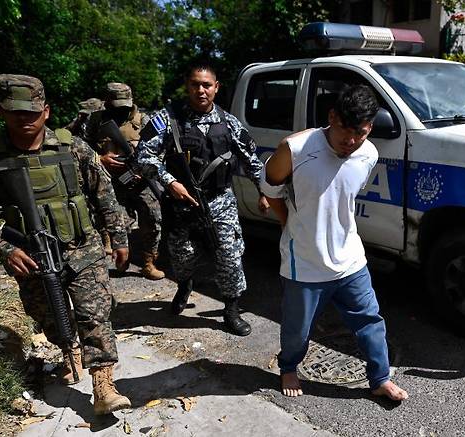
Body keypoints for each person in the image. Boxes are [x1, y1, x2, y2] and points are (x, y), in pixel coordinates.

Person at [0, 74, 131, 415]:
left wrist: (119, 237)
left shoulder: (73, 147)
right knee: (47, 316)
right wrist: (3, 246)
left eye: (32, 112)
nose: (24, 119)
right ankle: (68, 350)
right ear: (0, 110)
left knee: (95, 315)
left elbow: (104, 194)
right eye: (15, 112)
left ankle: (103, 383)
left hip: (82, 249)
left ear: (46, 112)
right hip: (30, 255)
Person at [260, 85, 408, 401]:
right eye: (345, 131)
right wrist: (288, 223)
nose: (351, 142)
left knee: (370, 320)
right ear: (332, 117)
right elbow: (270, 188)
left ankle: (380, 378)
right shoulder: (295, 148)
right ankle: (288, 366)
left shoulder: (368, 154)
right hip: (305, 263)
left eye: (361, 133)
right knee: (298, 330)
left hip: (351, 259)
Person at [137, 62, 270, 336]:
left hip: (220, 202)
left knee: (230, 257)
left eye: (207, 85)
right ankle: (185, 284)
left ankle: (231, 310)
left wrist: (264, 191)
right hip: (181, 204)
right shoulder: (168, 120)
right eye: (195, 84)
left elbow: (252, 162)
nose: (201, 90)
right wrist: (170, 182)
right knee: (183, 257)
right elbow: (143, 156)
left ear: (216, 88)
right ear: (188, 86)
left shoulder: (229, 123)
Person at [83, 83, 164, 280]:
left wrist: (144, 169)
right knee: (119, 222)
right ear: (107, 102)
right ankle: (122, 257)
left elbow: (160, 149)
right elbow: (81, 148)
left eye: (125, 106)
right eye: (116, 106)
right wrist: (99, 159)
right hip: (110, 182)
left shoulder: (144, 120)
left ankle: (148, 263)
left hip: (141, 180)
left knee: (153, 218)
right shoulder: (94, 121)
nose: (122, 110)